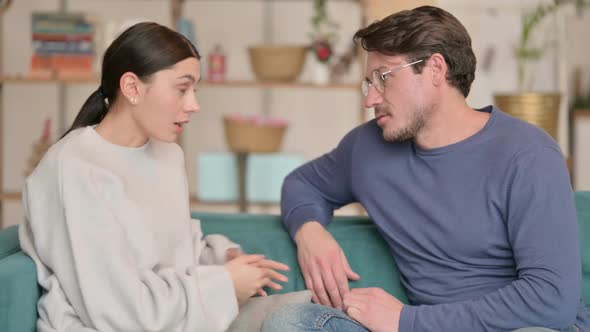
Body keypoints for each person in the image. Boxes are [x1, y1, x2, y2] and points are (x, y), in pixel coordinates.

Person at [263, 5, 588, 332]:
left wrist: (406, 321)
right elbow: (302, 185)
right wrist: (310, 232)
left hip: (526, 328)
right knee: (291, 321)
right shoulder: (366, 148)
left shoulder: (528, 153)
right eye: (368, 83)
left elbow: (551, 301)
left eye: (384, 77)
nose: (370, 99)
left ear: (435, 69)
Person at [19, 22, 289, 332]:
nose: (194, 105)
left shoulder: (167, 155)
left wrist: (221, 258)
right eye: (182, 88)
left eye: (195, 89)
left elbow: (174, 257)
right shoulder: (74, 168)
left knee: (298, 314)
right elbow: (119, 312)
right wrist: (225, 284)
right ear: (132, 87)